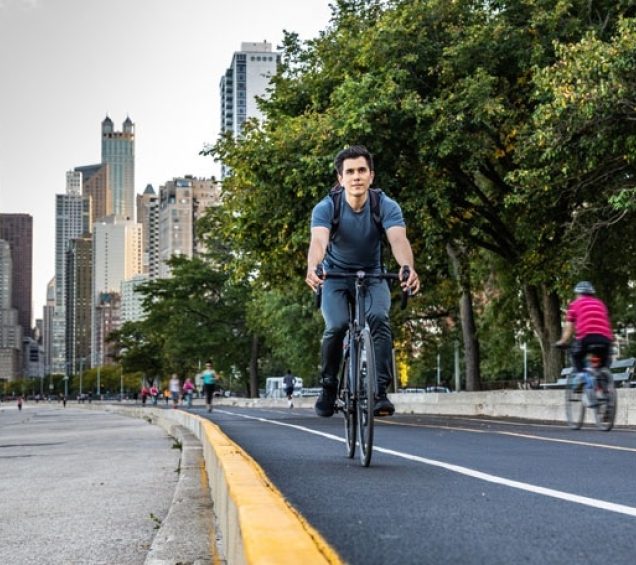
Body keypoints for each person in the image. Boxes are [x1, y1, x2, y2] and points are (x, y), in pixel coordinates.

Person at [306, 145, 420, 418]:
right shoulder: (327, 207)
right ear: (340, 178)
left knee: (379, 318)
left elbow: (398, 239)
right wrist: (314, 267)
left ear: (371, 176)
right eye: (350, 172)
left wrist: (407, 267)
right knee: (336, 326)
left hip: (373, 274)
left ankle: (380, 392)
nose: (356, 176)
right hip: (335, 276)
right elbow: (318, 241)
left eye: (361, 170)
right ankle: (329, 386)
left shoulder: (385, 205)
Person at [555, 281, 614, 404]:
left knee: (576, 355)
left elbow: (570, 327)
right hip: (605, 339)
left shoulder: (575, 304)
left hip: (587, 338)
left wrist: (563, 341)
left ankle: (582, 377)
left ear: (578, 294)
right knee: (601, 368)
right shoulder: (600, 304)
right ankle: (606, 396)